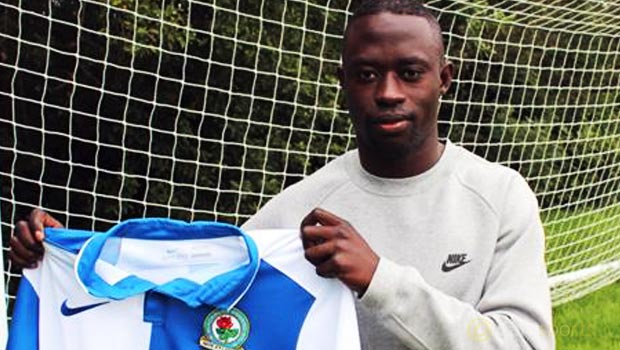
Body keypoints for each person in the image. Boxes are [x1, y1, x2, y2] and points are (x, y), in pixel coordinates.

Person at [10, 1, 555, 349]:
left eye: (409, 73)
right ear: (343, 82)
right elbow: (205, 313)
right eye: (367, 75)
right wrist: (71, 259)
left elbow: (525, 345)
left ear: (444, 79)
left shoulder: (499, 196)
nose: (388, 92)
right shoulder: (299, 212)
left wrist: (378, 281)